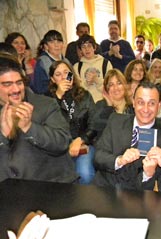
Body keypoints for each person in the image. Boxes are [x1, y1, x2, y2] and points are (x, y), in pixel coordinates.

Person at [0, 53, 77, 183]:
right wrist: (3, 137)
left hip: (50, 186)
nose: (16, 89)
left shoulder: (45, 104)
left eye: (19, 83)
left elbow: (62, 142)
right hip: (8, 191)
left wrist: (29, 128)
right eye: (7, 84)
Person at [93, 82, 161, 190]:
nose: (146, 109)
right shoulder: (116, 120)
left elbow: (160, 185)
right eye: (140, 102)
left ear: (159, 106)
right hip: (104, 188)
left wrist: (147, 175)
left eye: (151, 103)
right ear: (133, 102)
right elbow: (98, 157)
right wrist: (119, 160)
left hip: (135, 196)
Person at [48, 60, 96, 184]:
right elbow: (48, 125)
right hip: (59, 148)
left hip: (84, 144)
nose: (64, 77)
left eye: (66, 72)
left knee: (85, 173)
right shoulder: (47, 99)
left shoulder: (85, 95)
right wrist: (58, 97)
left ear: (72, 75)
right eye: (58, 75)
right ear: (53, 80)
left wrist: (81, 139)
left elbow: (94, 124)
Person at [92, 69, 133, 142]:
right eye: (111, 85)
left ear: (124, 85)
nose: (116, 88)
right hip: (106, 148)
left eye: (119, 83)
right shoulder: (100, 105)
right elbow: (97, 126)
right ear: (106, 89)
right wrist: (109, 107)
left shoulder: (132, 107)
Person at [73, 34, 113, 103]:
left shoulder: (106, 64)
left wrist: (97, 80)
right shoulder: (76, 67)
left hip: (104, 103)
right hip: (84, 104)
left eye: (89, 46)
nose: (87, 49)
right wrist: (87, 83)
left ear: (94, 47)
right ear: (80, 50)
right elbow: (76, 90)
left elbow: (111, 87)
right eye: (83, 47)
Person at [33, 30, 70, 96]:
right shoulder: (42, 62)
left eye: (59, 42)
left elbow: (71, 79)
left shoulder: (66, 61)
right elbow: (39, 88)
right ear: (46, 46)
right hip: (51, 99)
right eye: (52, 42)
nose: (56, 45)